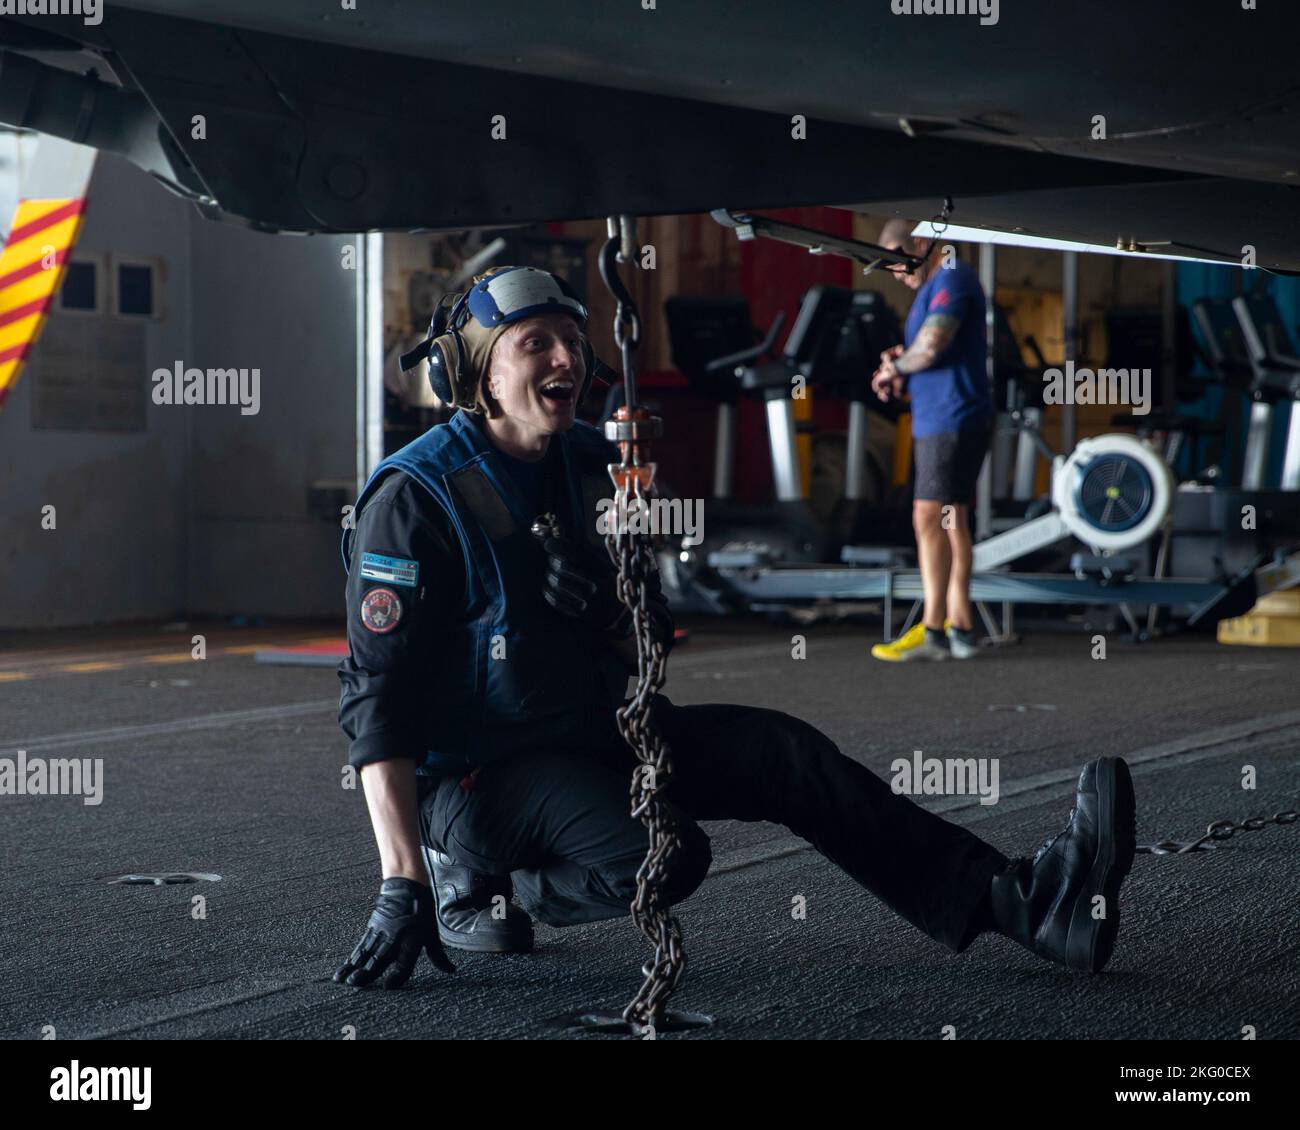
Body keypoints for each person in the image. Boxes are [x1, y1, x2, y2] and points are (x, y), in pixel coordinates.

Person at [331, 265, 1136, 991]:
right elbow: (379, 695)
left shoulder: (589, 465)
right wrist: (399, 881)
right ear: (474, 372)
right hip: (479, 775)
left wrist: (612, 606)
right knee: (666, 856)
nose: (565, 361)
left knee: (785, 756)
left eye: (573, 342)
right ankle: (477, 877)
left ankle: (1025, 903)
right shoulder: (414, 499)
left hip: (589, 731)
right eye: (534, 344)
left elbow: (649, 637)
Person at [870, 219, 994, 662]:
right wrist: (900, 363)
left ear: (921, 244)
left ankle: (933, 626)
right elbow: (925, 350)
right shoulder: (930, 289)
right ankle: (955, 628)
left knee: (931, 516)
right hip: (940, 417)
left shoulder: (953, 276)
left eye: (900, 264)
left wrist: (896, 369)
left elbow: (934, 344)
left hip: (952, 417)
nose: (899, 276)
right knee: (949, 519)